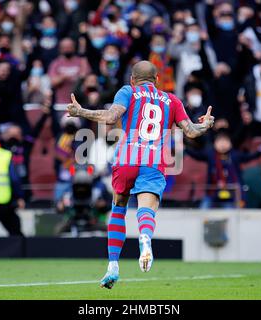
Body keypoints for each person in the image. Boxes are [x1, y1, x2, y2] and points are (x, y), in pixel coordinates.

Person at [67, 60, 214, 289]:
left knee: (118, 208)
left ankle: (113, 265)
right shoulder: (172, 100)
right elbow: (192, 132)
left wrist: (80, 111)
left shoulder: (128, 91)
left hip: (126, 157)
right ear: (157, 80)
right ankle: (145, 237)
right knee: (147, 208)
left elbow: (109, 117)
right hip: (154, 160)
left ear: (132, 79)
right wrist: (205, 125)